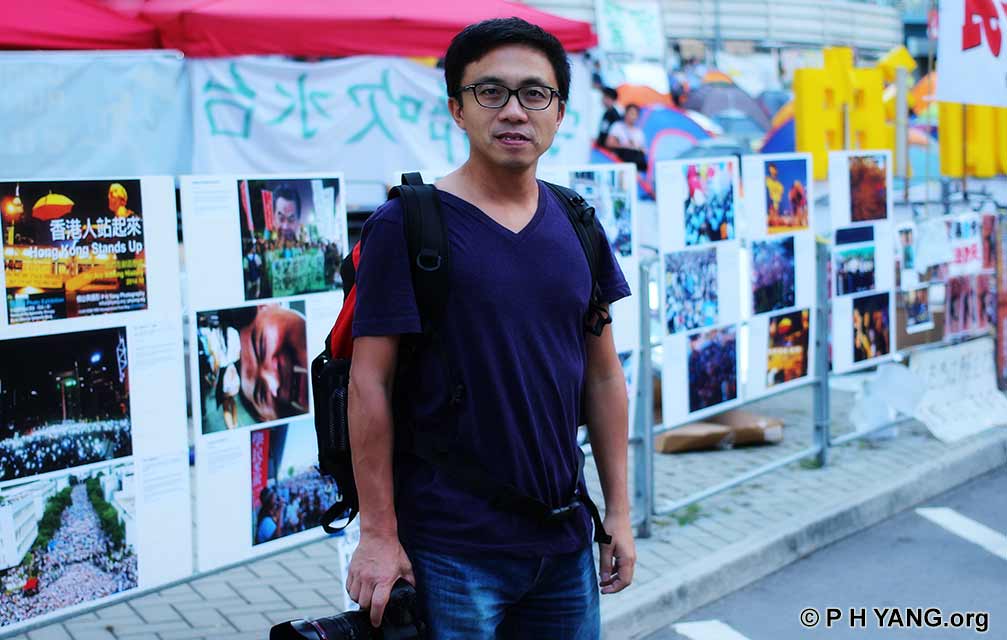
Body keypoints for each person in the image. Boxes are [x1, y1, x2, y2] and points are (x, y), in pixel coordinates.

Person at [346, 18, 635, 639]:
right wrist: (378, 535)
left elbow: (604, 377)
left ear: (560, 112)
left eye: (535, 93)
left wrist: (619, 511)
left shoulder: (578, 223)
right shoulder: (406, 226)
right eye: (490, 92)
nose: (514, 111)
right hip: (451, 550)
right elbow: (369, 384)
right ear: (457, 108)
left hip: (564, 542)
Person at [605, 104, 647, 172]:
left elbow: (643, 149)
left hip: (636, 164)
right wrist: (624, 146)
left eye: (636, 114)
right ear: (626, 113)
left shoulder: (639, 132)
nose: (633, 116)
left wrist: (638, 148)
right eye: (632, 113)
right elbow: (609, 143)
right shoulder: (617, 126)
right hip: (620, 161)